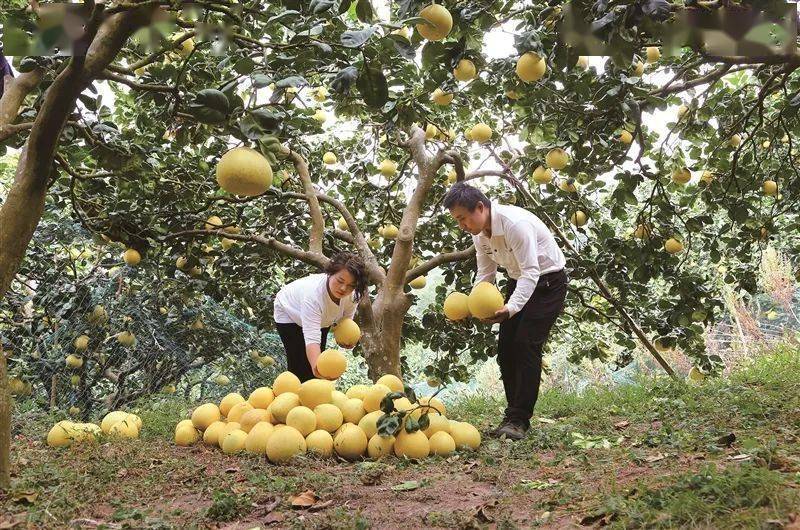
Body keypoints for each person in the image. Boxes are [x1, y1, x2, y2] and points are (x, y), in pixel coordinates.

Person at [443, 182, 568, 440]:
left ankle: (520, 420)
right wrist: (471, 307)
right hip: (519, 281)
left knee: (525, 346)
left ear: (480, 207)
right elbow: (485, 275)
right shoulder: (480, 236)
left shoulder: (514, 225)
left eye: (463, 218)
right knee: (506, 351)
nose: (462, 225)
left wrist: (511, 308)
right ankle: (512, 417)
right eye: (458, 220)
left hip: (547, 283)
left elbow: (532, 272)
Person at [273, 252, 368, 382]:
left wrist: (346, 339)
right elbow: (312, 337)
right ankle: (294, 395)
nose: (343, 288)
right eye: (340, 281)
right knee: (300, 365)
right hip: (289, 311)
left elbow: (345, 322)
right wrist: (316, 369)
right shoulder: (313, 296)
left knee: (319, 361)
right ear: (330, 273)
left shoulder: (353, 296)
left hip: (322, 317)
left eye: (351, 285)